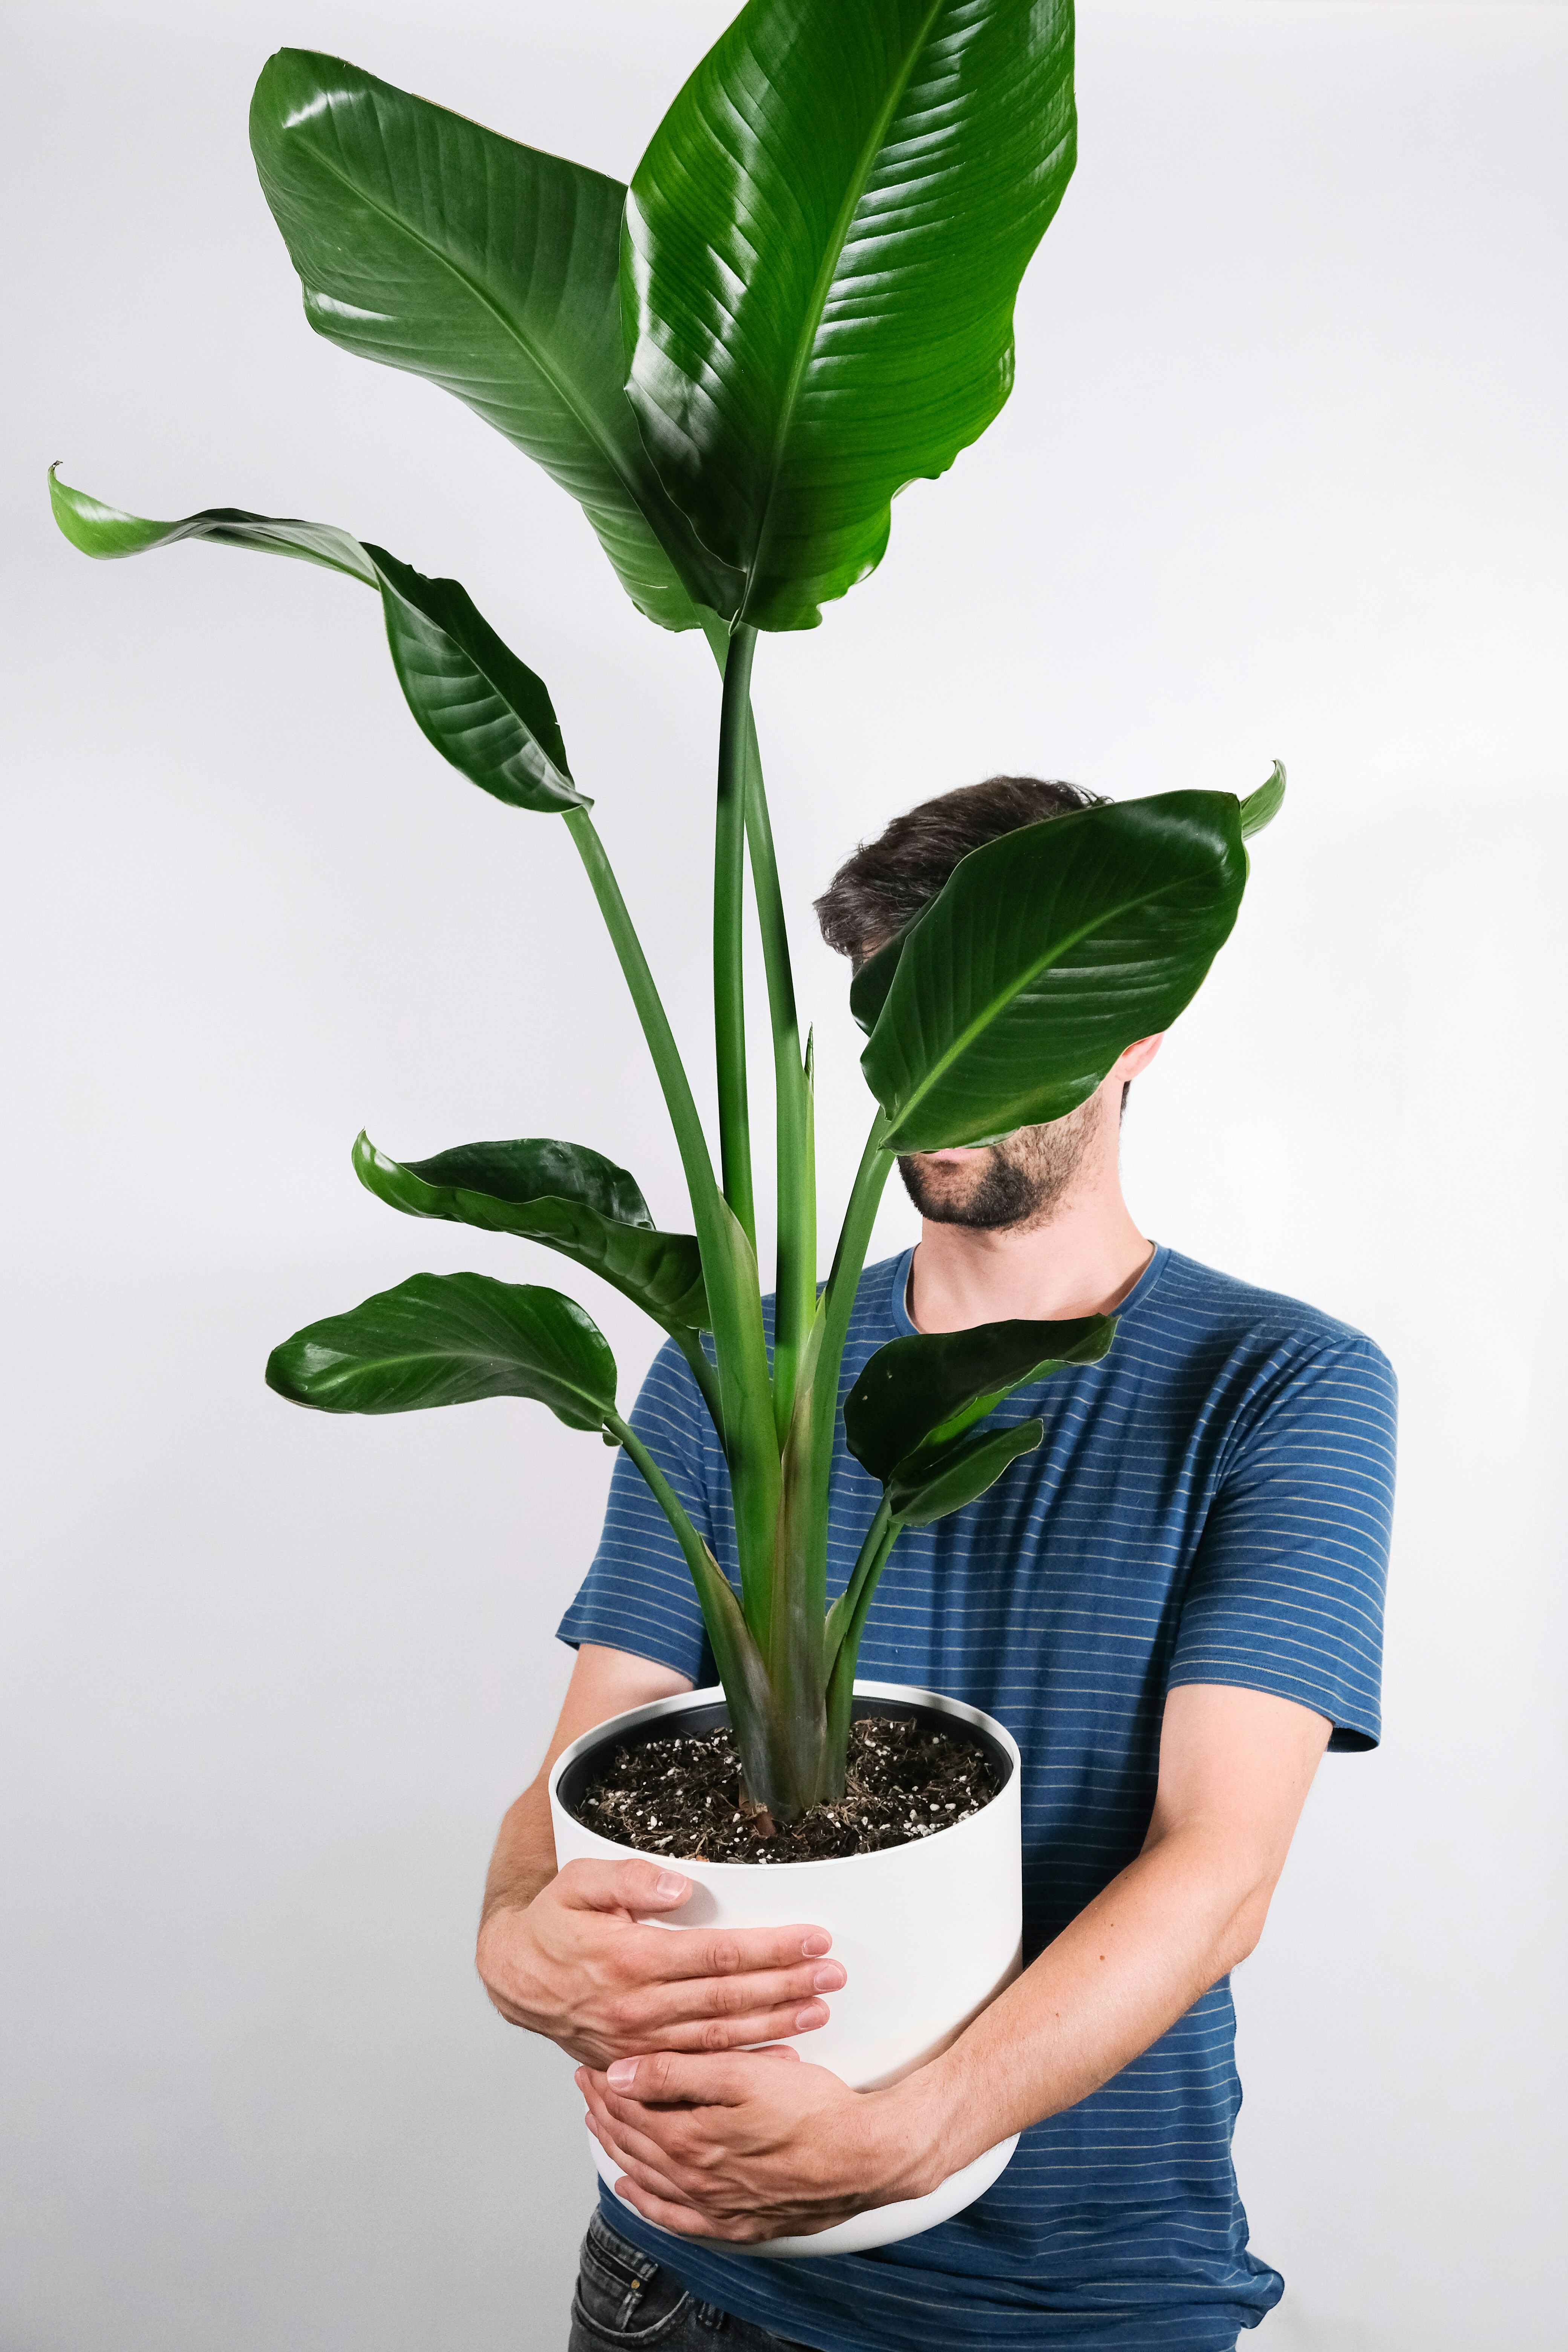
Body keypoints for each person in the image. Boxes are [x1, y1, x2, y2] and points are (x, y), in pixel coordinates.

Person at [476, 776, 1398, 2352]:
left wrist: (909, 2136)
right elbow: (587, 1763)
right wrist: (510, 1941)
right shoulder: (736, 1364)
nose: (934, 1094)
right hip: (679, 2279)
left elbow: (1215, 1865)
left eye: (989, 1035)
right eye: (896, 1033)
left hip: (1069, 2300)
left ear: (1134, 1026)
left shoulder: (1276, 1382)